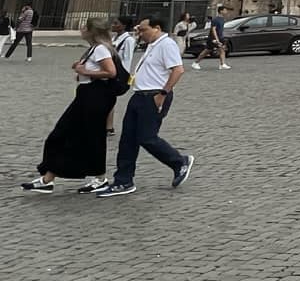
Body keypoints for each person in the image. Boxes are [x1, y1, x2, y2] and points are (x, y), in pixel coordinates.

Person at [94, 15, 192, 197]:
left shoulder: (167, 44)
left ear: (157, 28)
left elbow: (178, 70)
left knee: (147, 138)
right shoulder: (152, 45)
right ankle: (124, 181)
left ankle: (179, 161)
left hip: (153, 96)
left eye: (143, 29)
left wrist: (162, 94)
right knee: (127, 140)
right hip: (139, 95)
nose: (140, 33)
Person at [20, 19, 119, 193]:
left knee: (89, 136)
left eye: (83, 27)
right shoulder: (94, 49)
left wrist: (85, 71)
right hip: (86, 96)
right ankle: (48, 179)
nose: (80, 29)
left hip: (94, 97)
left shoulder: (101, 49)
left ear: (91, 31)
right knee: (64, 134)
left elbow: (111, 72)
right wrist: (82, 68)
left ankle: (100, 178)